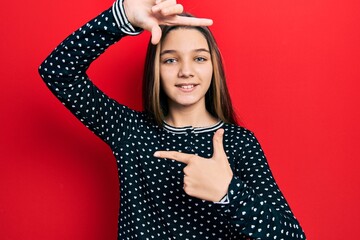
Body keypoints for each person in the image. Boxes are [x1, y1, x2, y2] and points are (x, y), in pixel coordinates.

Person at [39, 0, 306, 239]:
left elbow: (291, 235)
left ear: (214, 68)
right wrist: (121, 17)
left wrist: (229, 193)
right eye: (170, 60)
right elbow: (58, 71)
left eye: (199, 58)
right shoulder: (130, 131)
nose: (186, 71)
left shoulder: (238, 142)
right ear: (154, 69)